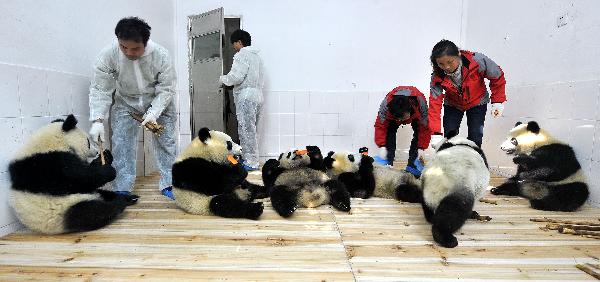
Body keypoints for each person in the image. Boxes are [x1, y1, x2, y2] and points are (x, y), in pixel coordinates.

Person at [88, 17, 177, 200]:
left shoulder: (161, 55)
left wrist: (153, 113)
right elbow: (100, 88)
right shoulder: (109, 54)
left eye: (135, 48)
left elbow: (166, 88)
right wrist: (97, 120)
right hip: (126, 102)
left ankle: (169, 183)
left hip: (158, 100)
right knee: (121, 143)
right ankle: (122, 188)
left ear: (145, 43)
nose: (129, 52)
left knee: (166, 142)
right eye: (124, 47)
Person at [428, 39, 506, 148]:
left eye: (450, 62)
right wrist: (435, 133)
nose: (446, 67)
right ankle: (451, 163)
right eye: (441, 64)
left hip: (478, 102)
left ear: (458, 55)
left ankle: (473, 163)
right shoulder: (437, 76)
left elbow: (497, 76)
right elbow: (434, 105)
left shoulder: (477, 61)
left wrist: (498, 101)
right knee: (449, 137)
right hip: (453, 104)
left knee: (475, 137)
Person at [220, 29, 264, 171]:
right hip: (257, 96)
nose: (234, 47)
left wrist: (222, 80)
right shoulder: (257, 57)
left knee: (246, 130)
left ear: (239, 42)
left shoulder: (242, 54)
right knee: (251, 129)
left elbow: (236, 76)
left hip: (246, 97)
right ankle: (250, 158)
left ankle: (251, 162)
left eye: (234, 43)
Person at [374, 86, 431, 177]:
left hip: (416, 113)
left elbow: (425, 128)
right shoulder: (386, 105)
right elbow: (380, 125)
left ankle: (413, 167)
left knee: (418, 136)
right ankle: (387, 166)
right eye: (399, 119)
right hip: (394, 116)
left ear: (409, 109)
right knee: (389, 134)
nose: (401, 121)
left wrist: (421, 147)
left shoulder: (420, 102)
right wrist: (382, 146)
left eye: (403, 118)